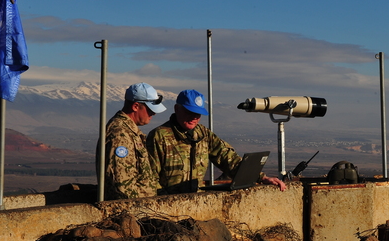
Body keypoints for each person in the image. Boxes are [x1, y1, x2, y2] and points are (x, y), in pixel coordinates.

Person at [147, 89, 286, 194]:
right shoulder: (159, 137)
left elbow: (227, 159)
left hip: (195, 203)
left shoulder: (203, 134)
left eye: (197, 114)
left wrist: (261, 178)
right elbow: (150, 179)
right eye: (189, 112)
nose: (194, 118)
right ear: (177, 109)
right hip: (168, 205)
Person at [97, 82, 167, 199]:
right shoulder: (120, 135)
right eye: (150, 109)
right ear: (135, 107)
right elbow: (122, 186)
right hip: (132, 210)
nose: (153, 113)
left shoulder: (129, 131)